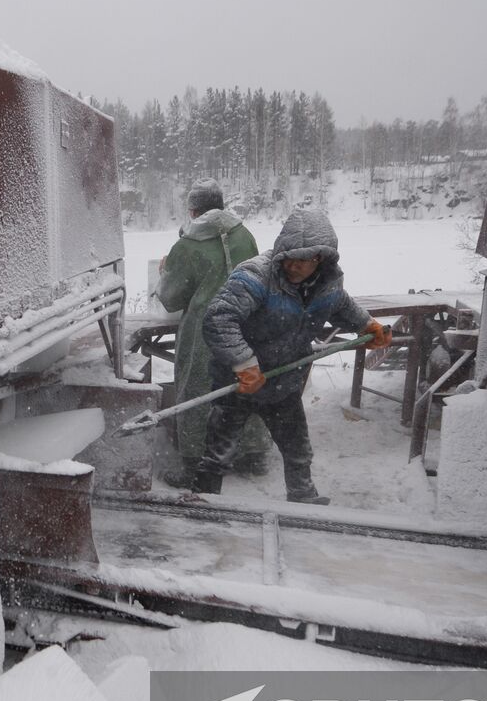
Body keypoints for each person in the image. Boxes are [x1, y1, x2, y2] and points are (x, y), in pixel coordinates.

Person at [195, 209, 392, 505]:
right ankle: (202, 503)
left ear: (321, 259)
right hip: (238, 382)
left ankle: (303, 500)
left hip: (283, 381)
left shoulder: (327, 283)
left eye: (302, 260)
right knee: (219, 452)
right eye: (288, 257)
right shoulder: (255, 276)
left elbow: (340, 304)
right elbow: (219, 318)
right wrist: (243, 362)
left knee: (297, 450)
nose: (292, 265)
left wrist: (367, 325)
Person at [156, 178, 271, 489]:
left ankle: (195, 462)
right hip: (246, 323)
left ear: (193, 211)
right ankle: (253, 453)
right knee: (246, 381)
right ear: (221, 205)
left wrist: (165, 272)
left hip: (204, 331)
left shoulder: (186, 245)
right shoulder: (244, 235)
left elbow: (171, 298)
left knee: (198, 390)